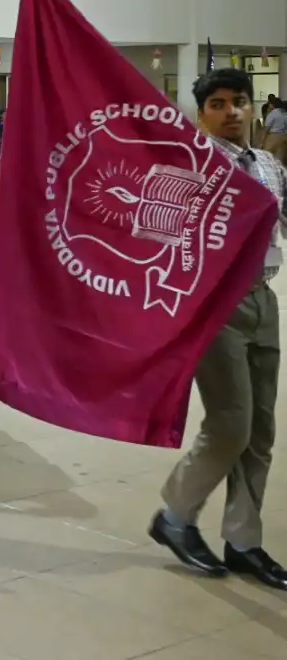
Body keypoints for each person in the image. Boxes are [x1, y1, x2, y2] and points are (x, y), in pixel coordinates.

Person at [150, 69, 286, 589]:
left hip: (262, 302)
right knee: (231, 423)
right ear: (201, 113)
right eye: (218, 104)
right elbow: (163, 238)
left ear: (253, 108)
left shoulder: (271, 167)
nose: (231, 111)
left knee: (261, 430)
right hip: (214, 306)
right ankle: (175, 516)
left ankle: (244, 541)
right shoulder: (192, 168)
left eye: (240, 102)